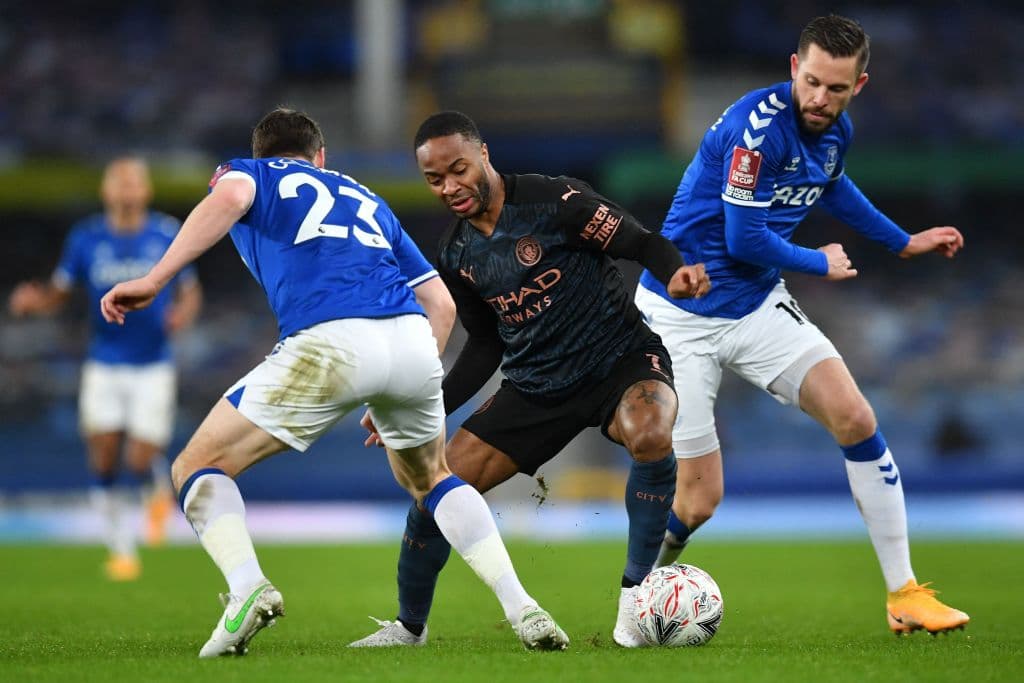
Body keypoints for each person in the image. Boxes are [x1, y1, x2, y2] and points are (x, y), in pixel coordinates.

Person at [99, 108, 569, 658]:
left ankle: (248, 588)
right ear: (320, 157)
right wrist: (399, 381)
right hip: (413, 342)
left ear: (262, 153)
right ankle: (522, 607)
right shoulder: (363, 195)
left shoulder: (248, 173)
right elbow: (439, 302)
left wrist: (155, 278)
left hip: (331, 338)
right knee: (432, 479)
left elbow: (228, 200)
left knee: (194, 466)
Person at [633, 14, 969, 635]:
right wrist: (819, 261)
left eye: (836, 89)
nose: (820, 99)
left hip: (757, 305)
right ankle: (636, 599)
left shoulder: (835, 130)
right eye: (811, 82)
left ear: (858, 86)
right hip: (680, 316)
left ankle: (904, 594)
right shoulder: (755, 129)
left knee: (857, 417)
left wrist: (901, 242)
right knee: (699, 501)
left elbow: (832, 189)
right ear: (794, 68)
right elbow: (742, 235)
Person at [350, 111, 711, 649]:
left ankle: (635, 601)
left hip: (621, 361)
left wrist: (676, 271)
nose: (449, 187)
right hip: (535, 387)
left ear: (484, 155)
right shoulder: (456, 255)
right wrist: (425, 405)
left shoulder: (556, 202)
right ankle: (409, 627)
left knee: (653, 432)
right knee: (436, 489)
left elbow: (641, 243)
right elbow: (486, 345)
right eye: (435, 179)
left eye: (458, 169)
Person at [9, 157, 202, 581]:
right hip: (105, 360)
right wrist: (34, 302)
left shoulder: (166, 233)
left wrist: (181, 316)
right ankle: (121, 550)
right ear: (107, 191)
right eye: (121, 183)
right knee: (103, 455)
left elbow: (189, 291)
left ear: (146, 191)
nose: (128, 190)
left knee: (139, 455)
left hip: (153, 362)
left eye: (135, 182)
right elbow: (60, 290)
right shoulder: (86, 238)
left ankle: (153, 485)